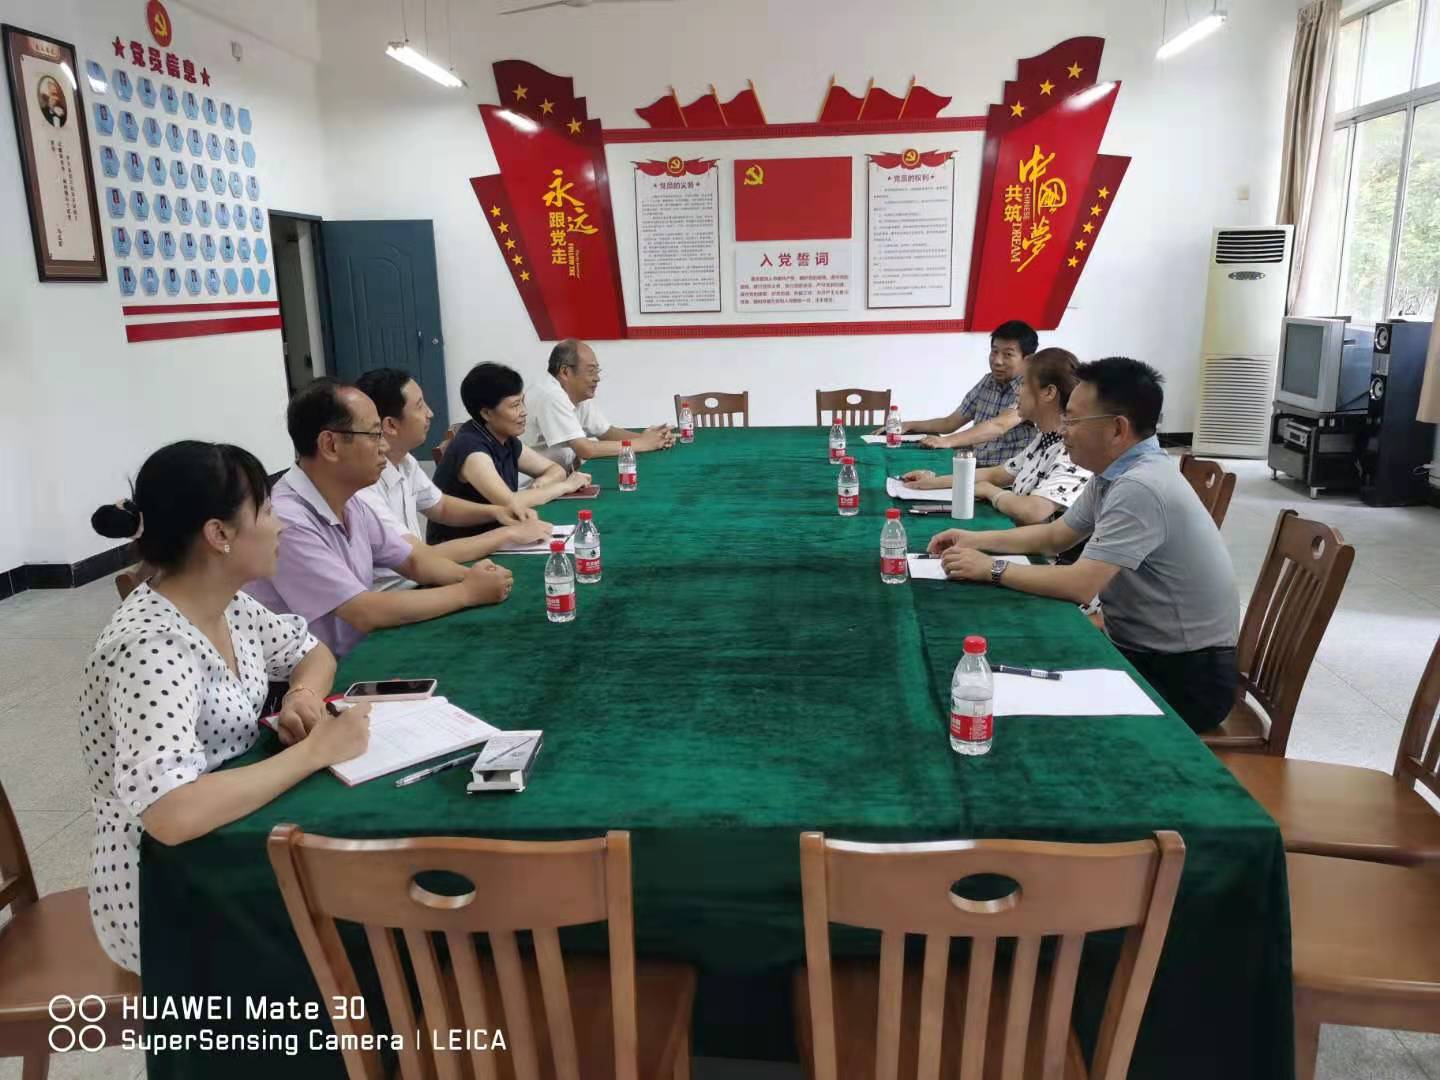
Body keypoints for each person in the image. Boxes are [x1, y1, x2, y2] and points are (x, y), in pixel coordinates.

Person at [84, 441, 371, 972]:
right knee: (363, 934)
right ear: (218, 534)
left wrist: (302, 697)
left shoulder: (227, 604)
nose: (280, 525)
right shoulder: (150, 649)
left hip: (229, 841)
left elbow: (312, 653)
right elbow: (172, 812)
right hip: (166, 890)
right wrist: (314, 752)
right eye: (266, 510)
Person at [927, 356, 1239, 733]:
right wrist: (974, 539)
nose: (1064, 431)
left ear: (1117, 429)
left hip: (1184, 676)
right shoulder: (1116, 473)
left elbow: (1079, 584)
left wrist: (991, 568)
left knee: (1019, 701)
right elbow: (1055, 536)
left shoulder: (1141, 486)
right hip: (1140, 647)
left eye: (1073, 421)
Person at [245, 379, 512, 658]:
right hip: (311, 675)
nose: (384, 446)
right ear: (330, 445)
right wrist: (467, 592)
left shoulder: (350, 501)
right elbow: (362, 611)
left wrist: (472, 577)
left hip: (357, 652)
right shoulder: (287, 520)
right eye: (374, 435)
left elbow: (412, 560)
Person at [353, 367, 553, 590]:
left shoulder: (405, 461)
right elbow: (415, 559)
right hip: (399, 592)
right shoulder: (362, 486)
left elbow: (441, 506)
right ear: (390, 425)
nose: (430, 413)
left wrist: (496, 512)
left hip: (425, 577)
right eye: (420, 406)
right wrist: (507, 534)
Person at [899, 348, 1092, 526]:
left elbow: (1033, 511)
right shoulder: (1045, 436)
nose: (1017, 391)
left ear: (1049, 392)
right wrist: (931, 483)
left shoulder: (1072, 448)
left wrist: (988, 490)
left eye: (1023, 384)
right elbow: (997, 474)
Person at [429, 362, 593, 544]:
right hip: (462, 547)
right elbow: (510, 504)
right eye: (515, 405)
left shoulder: (504, 438)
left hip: (497, 536)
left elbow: (556, 470)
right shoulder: (472, 450)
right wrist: (565, 486)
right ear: (486, 413)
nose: (524, 412)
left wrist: (541, 485)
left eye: (522, 402)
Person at [892, 320, 1039, 466]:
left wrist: (946, 441)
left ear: (1027, 360)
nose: (997, 361)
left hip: (1006, 472)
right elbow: (950, 422)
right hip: (976, 465)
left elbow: (999, 425)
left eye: (1007, 354)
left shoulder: (1031, 389)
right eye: (994, 352)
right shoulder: (988, 382)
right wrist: (910, 425)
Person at [527, 339, 672, 471]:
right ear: (565, 372)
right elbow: (585, 450)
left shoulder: (578, 394)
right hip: (535, 484)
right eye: (591, 371)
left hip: (562, 476)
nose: (597, 378)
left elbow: (606, 432)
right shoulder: (550, 395)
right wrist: (644, 444)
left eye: (597, 371)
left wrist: (654, 438)